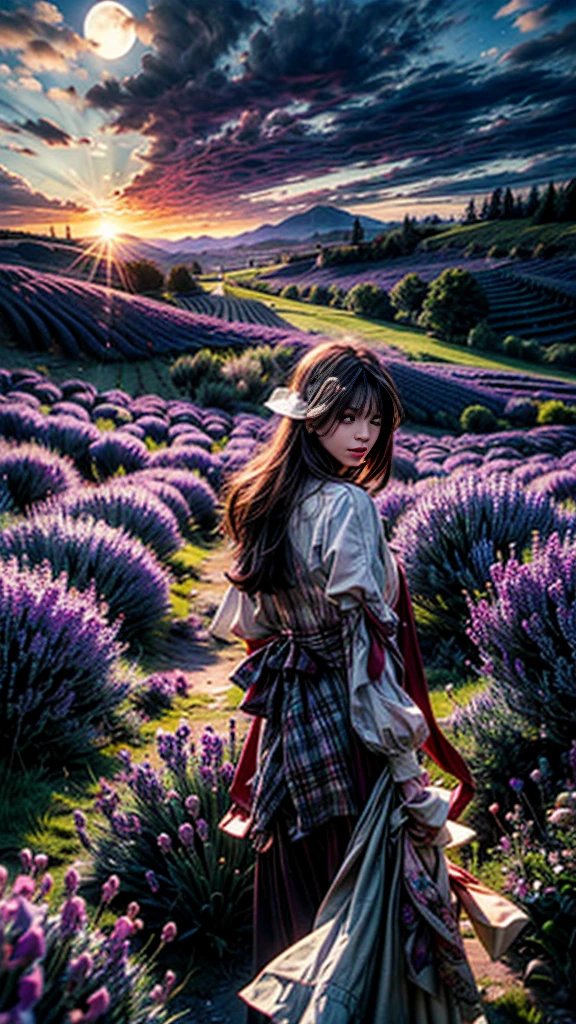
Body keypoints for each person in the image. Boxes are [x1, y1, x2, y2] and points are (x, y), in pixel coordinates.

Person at [210, 340, 483, 1022]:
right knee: (366, 910)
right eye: (346, 417)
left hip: (289, 730)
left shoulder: (263, 499)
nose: (364, 434)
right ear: (312, 416)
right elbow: (370, 655)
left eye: (376, 420)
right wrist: (405, 766)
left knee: (300, 898)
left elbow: (254, 628)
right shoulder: (347, 507)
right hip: (351, 731)